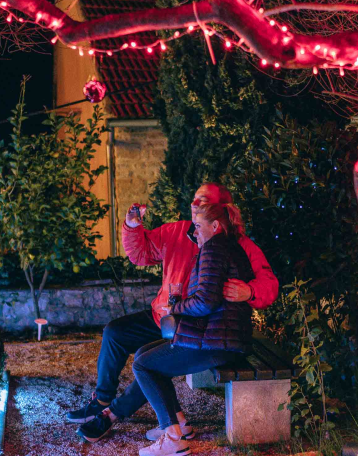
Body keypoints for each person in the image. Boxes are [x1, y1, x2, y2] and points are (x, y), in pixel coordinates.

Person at [66, 183, 277, 441]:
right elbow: (141, 253)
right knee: (115, 333)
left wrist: (250, 291)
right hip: (165, 317)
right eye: (194, 197)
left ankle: (113, 415)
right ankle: (102, 400)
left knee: (149, 364)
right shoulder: (177, 231)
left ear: (219, 212)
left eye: (203, 200)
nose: (194, 203)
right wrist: (133, 226)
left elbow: (269, 284)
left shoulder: (234, 244)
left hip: (196, 326)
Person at [100, 202, 255, 456]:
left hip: (219, 342)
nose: (194, 233)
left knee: (145, 365)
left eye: (198, 226)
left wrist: (176, 307)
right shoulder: (227, 246)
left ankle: (172, 438)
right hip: (220, 336)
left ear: (215, 226)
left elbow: (206, 301)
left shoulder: (213, 250)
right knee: (144, 353)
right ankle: (178, 424)